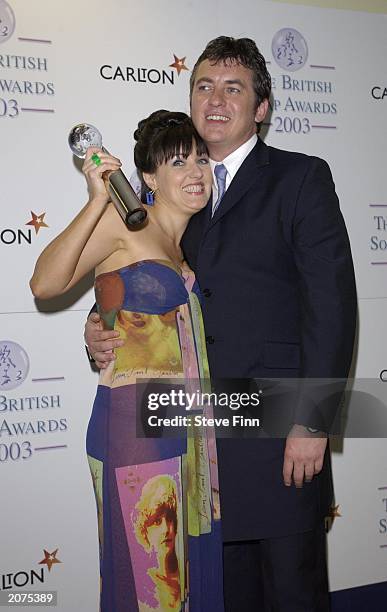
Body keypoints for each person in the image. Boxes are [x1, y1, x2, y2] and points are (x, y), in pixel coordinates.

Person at [84, 37, 357, 611]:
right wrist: (99, 323)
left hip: (280, 436)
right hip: (195, 446)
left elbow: (331, 307)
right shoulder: (179, 190)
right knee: (222, 596)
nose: (215, 98)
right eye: (203, 85)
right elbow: (139, 272)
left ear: (261, 108)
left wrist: (311, 424)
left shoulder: (301, 178)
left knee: (291, 593)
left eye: (233, 88)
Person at [30, 110, 224, 612]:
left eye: (201, 159)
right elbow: (45, 284)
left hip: (183, 424)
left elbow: (128, 309)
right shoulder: (123, 222)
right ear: (149, 178)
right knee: (151, 579)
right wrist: (97, 199)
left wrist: (103, 317)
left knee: (174, 580)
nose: (196, 171)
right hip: (135, 429)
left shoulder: (186, 248)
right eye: (178, 161)